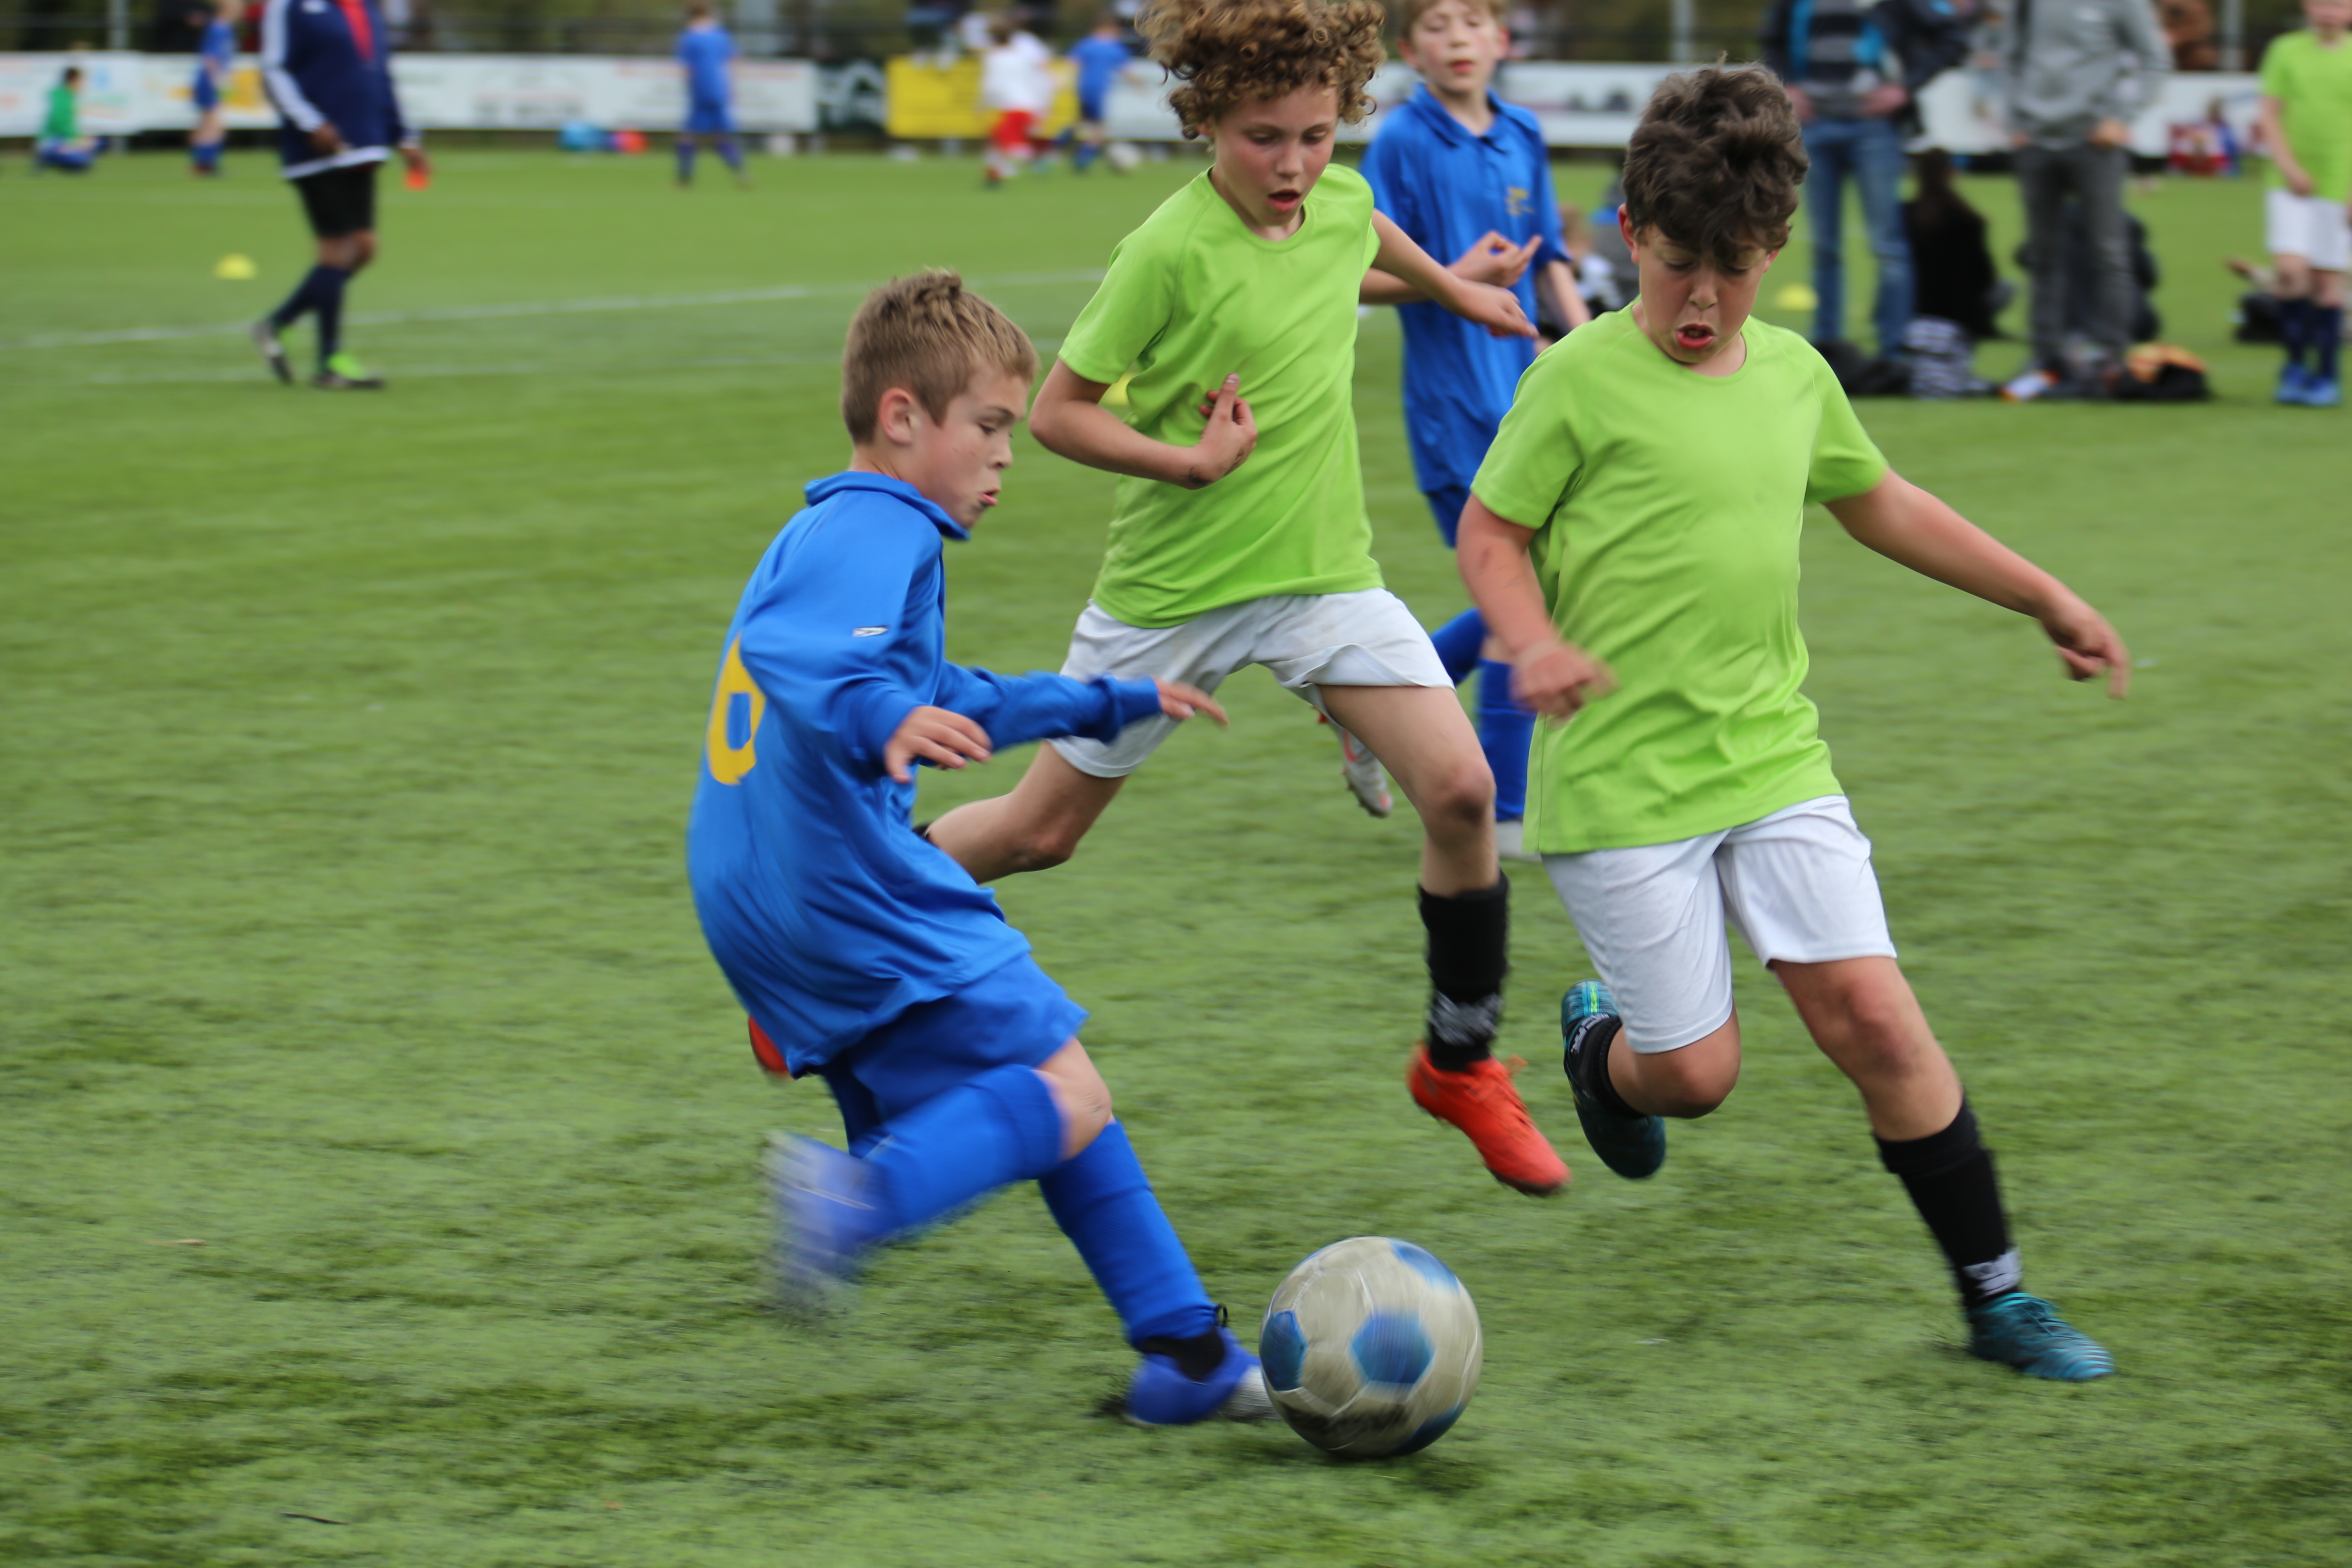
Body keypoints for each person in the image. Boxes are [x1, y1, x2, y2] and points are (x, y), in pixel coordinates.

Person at [1455, 66, 2127, 1380]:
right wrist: (1531, 643)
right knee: (1697, 1077)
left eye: (1736, 269)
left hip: (1770, 754)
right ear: (1630, 234)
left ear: (1771, 252)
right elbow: (1491, 533)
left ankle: (1998, 1298)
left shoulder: (1800, 375)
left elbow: (1883, 502)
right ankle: (1604, 1050)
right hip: (1623, 784)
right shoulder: (1577, 379)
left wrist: (2041, 594)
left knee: (1878, 1022)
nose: (1704, 302)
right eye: (1678, 265)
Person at [923, 0, 1574, 1200]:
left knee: (1466, 790)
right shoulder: (1164, 250)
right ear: (1208, 119)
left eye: (1318, 135)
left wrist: (1447, 288)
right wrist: (1189, 463)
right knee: (1039, 834)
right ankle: (843, 934)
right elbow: (1061, 410)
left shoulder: (1333, 196)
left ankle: (1460, 1064)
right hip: (1175, 591)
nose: (1293, 167)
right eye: (1264, 138)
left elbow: (1353, 235)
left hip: (1323, 573)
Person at [689, 272, 1271, 1427]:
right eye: (991, 428)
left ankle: (1188, 1361)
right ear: (903, 418)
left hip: (764, 891)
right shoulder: (878, 527)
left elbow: (943, 691)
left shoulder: (837, 528)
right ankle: (857, 1204)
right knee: (1065, 1087)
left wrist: (1103, 704)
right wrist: (880, 717)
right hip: (848, 886)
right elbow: (818, 664)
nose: (1008, 457)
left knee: (1050, 1090)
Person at [1359, 0, 1588, 862]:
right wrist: (1454, 279)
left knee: (1529, 587)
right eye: (1439, 25)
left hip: (1526, 400)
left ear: (1501, 40)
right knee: (1513, 592)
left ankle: (1367, 704)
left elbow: (1552, 255)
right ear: (1411, 49)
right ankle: (1506, 809)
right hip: (1453, 410)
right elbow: (1355, 270)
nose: (1458, 39)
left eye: (1473, 22)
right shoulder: (1404, 143)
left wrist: (1591, 334)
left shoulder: (1521, 131)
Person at [1760, 0, 1968, 363]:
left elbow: (1952, 38)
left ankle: (1895, 351)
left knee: (1888, 246)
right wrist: (1787, 87)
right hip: (1813, 127)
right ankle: (1827, 348)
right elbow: (1772, 41)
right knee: (1825, 248)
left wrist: (1906, 88)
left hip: (1874, 129)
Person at [253, 0, 427, 389]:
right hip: (316, 150)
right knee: (337, 250)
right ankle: (329, 363)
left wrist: (405, 136)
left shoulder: (367, 7)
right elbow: (273, 70)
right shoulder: (290, 6)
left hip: (363, 146)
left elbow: (380, 74)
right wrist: (311, 123)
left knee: (364, 249)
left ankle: (277, 324)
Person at [2005, 0, 2168, 395]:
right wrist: (2015, 119)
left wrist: (2121, 118)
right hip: (2037, 140)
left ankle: (2111, 359)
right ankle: (2045, 357)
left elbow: (2156, 58)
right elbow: (2012, 56)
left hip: (2095, 143)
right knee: (2043, 256)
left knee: (2108, 255)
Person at [2256, 0, 2352, 407]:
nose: (2329, 11)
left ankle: (2326, 375)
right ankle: (2294, 366)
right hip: (2290, 183)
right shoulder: (2285, 49)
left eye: (2338, 3)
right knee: (2291, 270)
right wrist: (2289, 167)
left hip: (2340, 183)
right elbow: (2270, 115)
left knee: (2328, 284)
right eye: (2321, 2)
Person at [676, 3, 748, 189]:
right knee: (722, 136)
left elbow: (687, 69)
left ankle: (685, 179)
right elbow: (734, 61)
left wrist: (688, 88)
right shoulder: (721, 36)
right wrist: (732, 87)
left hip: (701, 89)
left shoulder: (690, 38)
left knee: (688, 136)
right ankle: (741, 174)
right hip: (720, 90)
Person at [980, 12, 1057, 184]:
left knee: (1013, 147)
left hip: (1013, 107)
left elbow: (991, 85)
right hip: (1031, 105)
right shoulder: (1023, 54)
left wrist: (984, 103)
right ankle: (996, 175)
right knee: (999, 142)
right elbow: (1039, 77)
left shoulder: (994, 58)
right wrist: (1045, 103)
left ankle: (1041, 155)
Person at [1068, 11, 1133, 172]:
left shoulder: (1086, 44)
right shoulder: (1114, 48)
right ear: (1108, 29)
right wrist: (1142, 87)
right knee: (1099, 128)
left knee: (1079, 123)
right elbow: (1126, 71)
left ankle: (1052, 148)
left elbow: (1071, 63)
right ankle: (1083, 159)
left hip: (1082, 88)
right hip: (1098, 90)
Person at [190, 0, 241, 176]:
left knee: (208, 122)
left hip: (212, 79)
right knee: (214, 123)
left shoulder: (224, 28)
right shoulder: (219, 29)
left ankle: (201, 163)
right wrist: (219, 81)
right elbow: (211, 58)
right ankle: (206, 163)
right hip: (210, 80)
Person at [34, 67, 101, 173]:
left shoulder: (65, 97)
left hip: (57, 141)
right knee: (83, 158)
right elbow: (60, 123)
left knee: (93, 146)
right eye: (80, 81)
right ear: (73, 81)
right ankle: (48, 159)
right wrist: (77, 139)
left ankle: (53, 160)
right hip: (54, 142)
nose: (82, 85)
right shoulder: (63, 99)